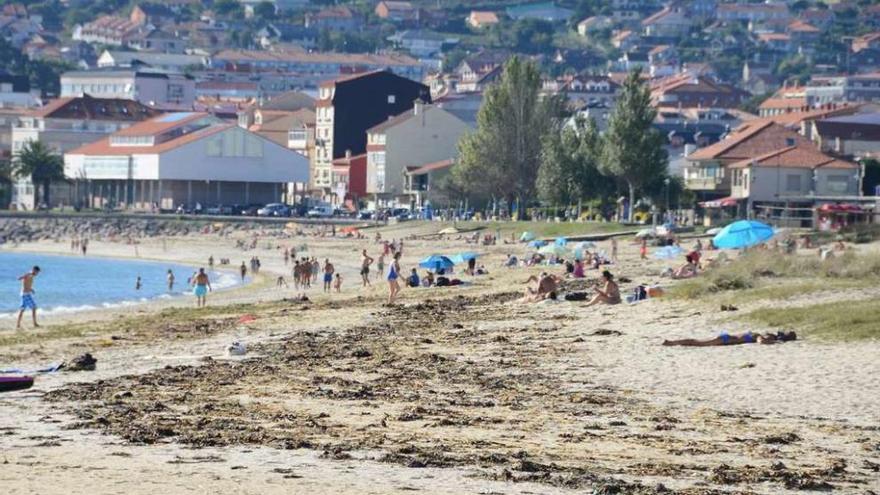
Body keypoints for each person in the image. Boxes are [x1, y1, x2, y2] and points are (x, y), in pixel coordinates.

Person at [663, 331, 797, 347]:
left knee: (696, 341)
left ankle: (673, 342)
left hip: (726, 337)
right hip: (725, 339)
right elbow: (762, 341)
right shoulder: (758, 335)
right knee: (698, 343)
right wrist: (774, 342)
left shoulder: (755, 333)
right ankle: (672, 342)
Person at [16, 266, 40, 330]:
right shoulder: (29, 274)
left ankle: (18, 324)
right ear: (34, 270)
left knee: (22, 310)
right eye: (37, 272)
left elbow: (26, 284)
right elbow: (22, 278)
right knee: (34, 307)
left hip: (25, 294)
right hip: (26, 295)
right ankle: (34, 323)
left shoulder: (31, 276)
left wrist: (31, 289)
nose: (37, 274)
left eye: (38, 273)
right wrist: (21, 277)